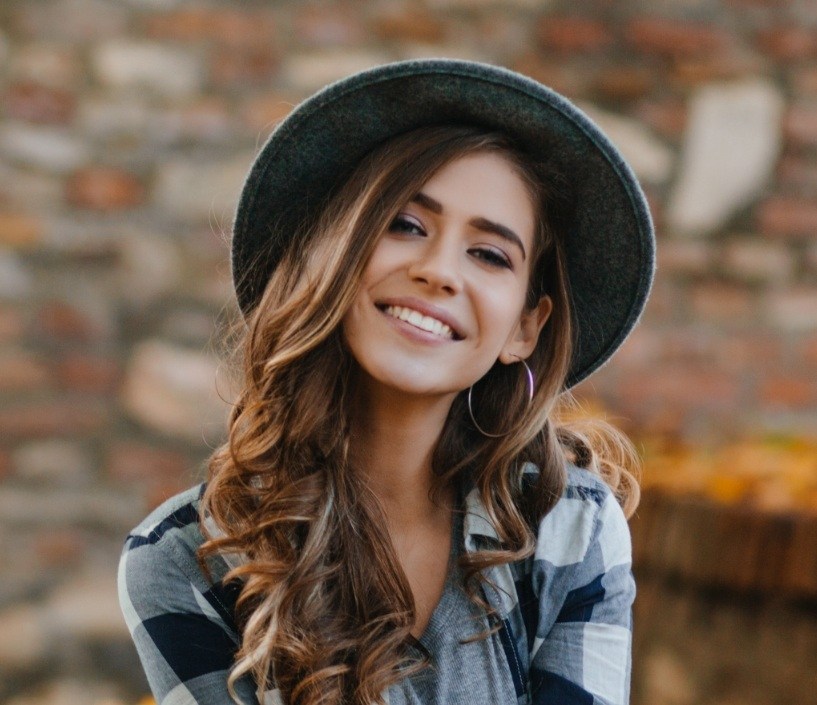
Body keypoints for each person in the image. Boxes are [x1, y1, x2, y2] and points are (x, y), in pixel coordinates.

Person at [118, 59, 655, 705]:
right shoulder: (182, 560)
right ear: (329, 254)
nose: (439, 271)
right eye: (405, 224)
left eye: (488, 254)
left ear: (525, 328)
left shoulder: (569, 525)